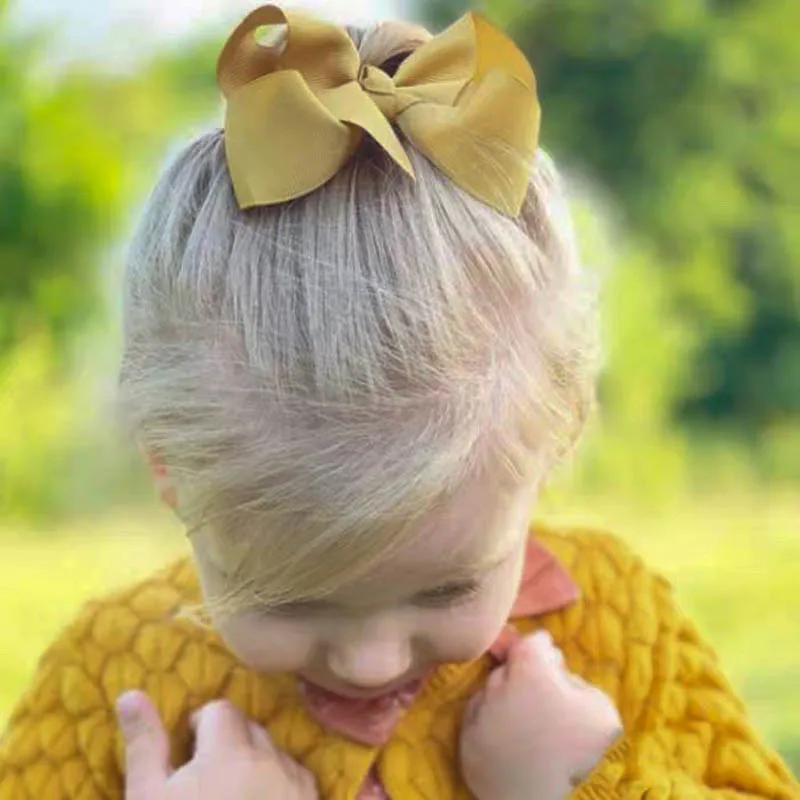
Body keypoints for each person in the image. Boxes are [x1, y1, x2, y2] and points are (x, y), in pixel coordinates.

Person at [1, 4, 797, 799]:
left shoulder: (617, 629)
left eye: (447, 589)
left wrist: (592, 788)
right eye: (291, 599)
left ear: (555, 435)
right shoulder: (109, 683)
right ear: (168, 471)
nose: (370, 662)